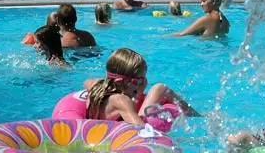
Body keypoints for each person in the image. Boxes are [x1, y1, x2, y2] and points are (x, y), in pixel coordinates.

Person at [52, 48, 200, 122]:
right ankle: (199, 117)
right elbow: (142, 130)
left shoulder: (96, 85)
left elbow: (87, 81)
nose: (144, 83)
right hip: (122, 127)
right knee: (160, 89)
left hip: (104, 119)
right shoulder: (121, 100)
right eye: (140, 80)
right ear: (120, 82)